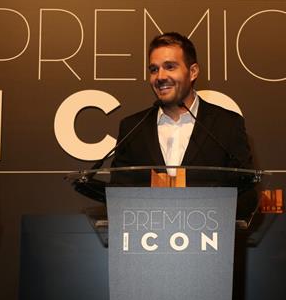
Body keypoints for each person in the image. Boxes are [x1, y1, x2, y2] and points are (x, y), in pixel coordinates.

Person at [110, 32, 257, 215]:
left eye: (170, 67)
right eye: (154, 69)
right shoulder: (132, 128)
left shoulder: (227, 125)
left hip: (210, 231)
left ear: (193, 72)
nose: (160, 77)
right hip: (145, 232)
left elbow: (246, 194)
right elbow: (117, 197)